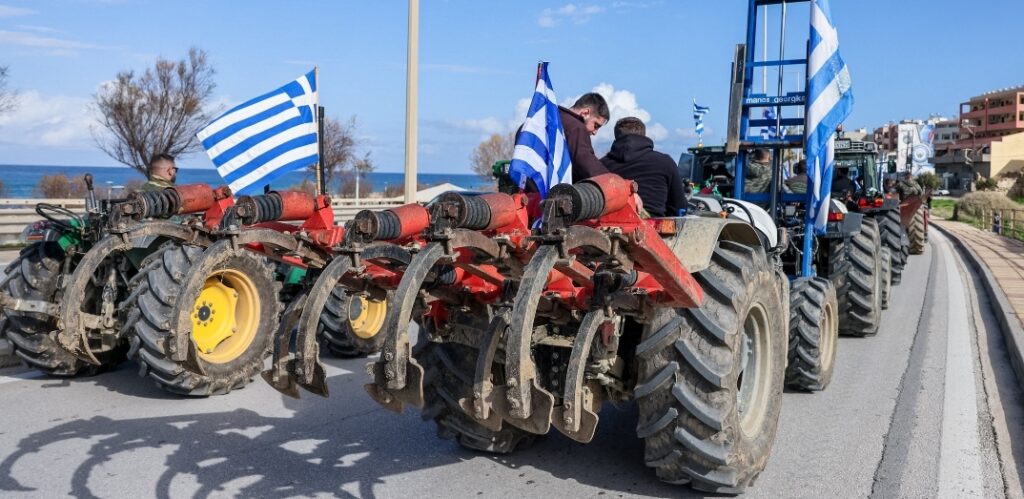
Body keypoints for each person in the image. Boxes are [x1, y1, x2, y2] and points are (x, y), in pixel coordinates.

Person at [600, 117, 686, 217]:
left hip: (607, 225)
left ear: (616, 138)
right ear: (644, 135)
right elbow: (679, 206)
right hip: (653, 226)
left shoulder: (600, 165)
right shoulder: (665, 162)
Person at [559, 93, 610, 182]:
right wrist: (612, 181)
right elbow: (586, 164)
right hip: (545, 192)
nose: (595, 132)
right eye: (596, 125)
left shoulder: (547, 116)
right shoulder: (576, 127)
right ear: (585, 113)